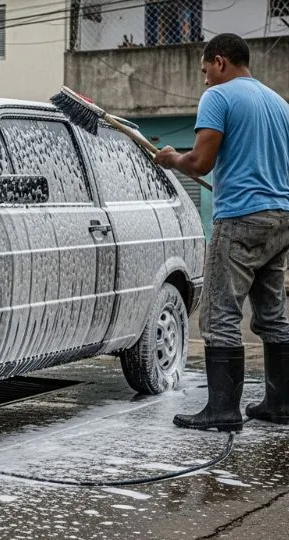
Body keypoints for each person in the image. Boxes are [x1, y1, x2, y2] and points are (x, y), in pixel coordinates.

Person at [154, 33, 289, 431]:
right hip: (281, 218)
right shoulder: (279, 103)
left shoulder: (220, 96)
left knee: (218, 316)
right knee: (273, 314)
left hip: (241, 219)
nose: (205, 80)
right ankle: (281, 406)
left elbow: (199, 162)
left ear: (219, 61)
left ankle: (223, 411)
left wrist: (171, 158)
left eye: (205, 71)